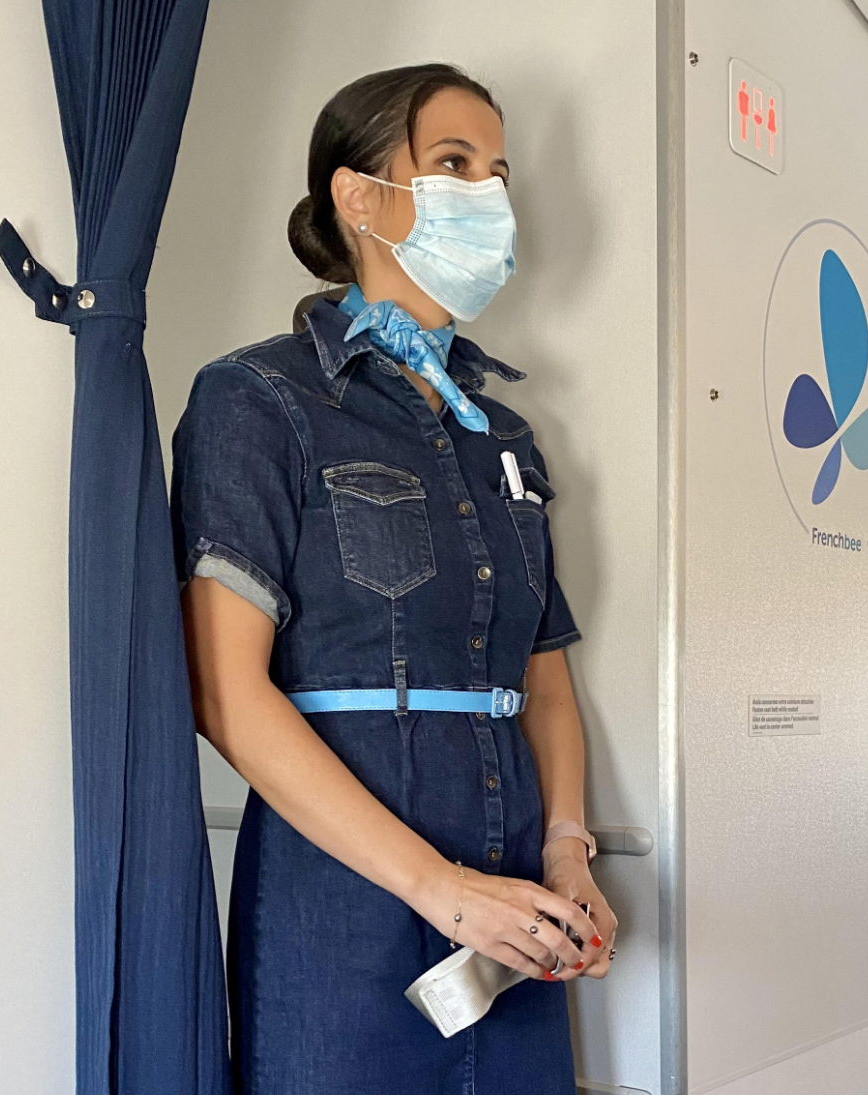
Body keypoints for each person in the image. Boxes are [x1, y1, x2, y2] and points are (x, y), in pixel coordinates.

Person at [170, 63, 617, 1095]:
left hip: (516, 909)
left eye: (498, 173)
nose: (488, 196)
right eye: (453, 164)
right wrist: (443, 892)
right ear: (358, 194)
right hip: (342, 905)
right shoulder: (259, 400)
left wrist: (564, 852)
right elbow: (222, 692)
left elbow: (540, 673)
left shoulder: (500, 431)